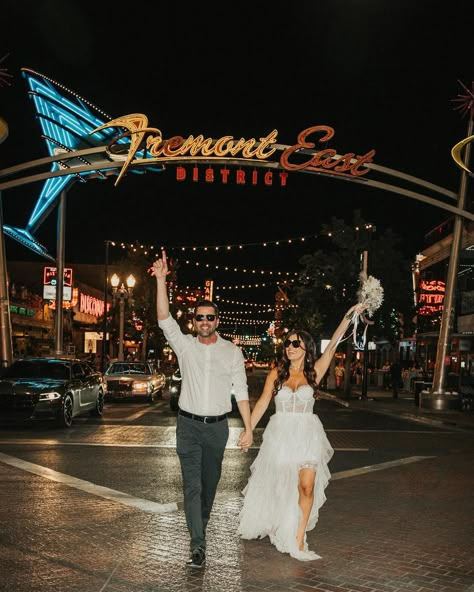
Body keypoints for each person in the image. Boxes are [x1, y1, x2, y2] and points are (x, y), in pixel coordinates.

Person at [237, 303, 366, 561]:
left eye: (296, 344)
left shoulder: (315, 371)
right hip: (280, 435)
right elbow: (262, 402)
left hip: (307, 434)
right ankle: (278, 523)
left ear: (306, 348)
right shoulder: (277, 373)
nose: (290, 347)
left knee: (306, 487)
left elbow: (332, 345)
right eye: (288, 343)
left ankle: (298, 540)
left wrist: (348, 315)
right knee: (280, 486)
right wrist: (248, 430)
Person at [151, 250, 253, 569]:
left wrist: (249, 429)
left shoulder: (232, 352)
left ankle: (200, 527)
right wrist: (162, 279)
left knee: (209, 486)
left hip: (217, 429)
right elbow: (164, 319)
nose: (205, 322)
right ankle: (198, 544)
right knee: (192, 486)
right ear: (194, 321)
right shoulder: (185, 347)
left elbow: (242, 392)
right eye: (199, 317)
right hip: (188, 427)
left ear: (217, 321)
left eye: (210, 317)